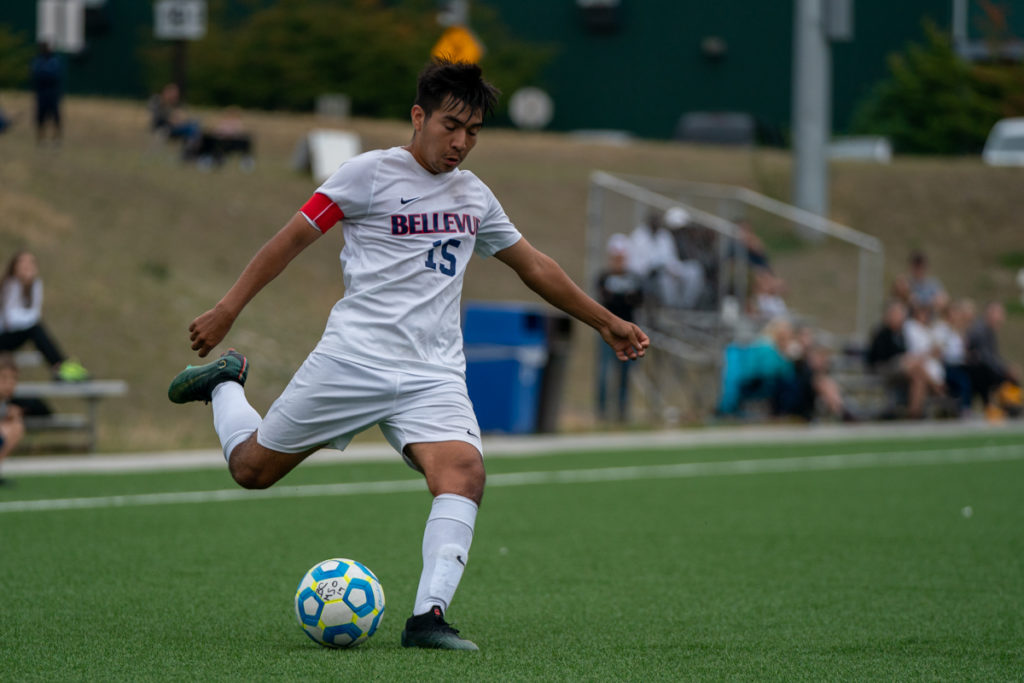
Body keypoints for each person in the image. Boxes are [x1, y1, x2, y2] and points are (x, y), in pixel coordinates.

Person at [167, 60, 649, 651]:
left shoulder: (474, 195)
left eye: (473, 131)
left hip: (433, 374)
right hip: (353, 360)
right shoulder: (366, 174)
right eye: (451, 126)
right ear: (419, 116)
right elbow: (288, 241)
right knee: (252, 471)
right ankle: (225, 385)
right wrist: (226, 309)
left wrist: (607, 322)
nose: (461, 142)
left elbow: (535, 267)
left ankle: (428, 619)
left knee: (465, 473)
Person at [0, 251, 89, 381]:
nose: (27, 266)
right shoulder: (9, 285)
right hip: (4, 337)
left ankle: (60, 367)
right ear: (15, 266)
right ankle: (61, 366)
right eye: (23, 262)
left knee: (35, 328)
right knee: (35, 328)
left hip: (20, 334)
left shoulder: (35, 284)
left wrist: (31, 320)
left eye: (31, 262)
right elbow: (11, 319)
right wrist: (31, 321)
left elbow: (35, 313)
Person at [595, 234, 644, 423]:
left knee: (625, 373)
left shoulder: (634, 278)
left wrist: (619, 297)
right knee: (604, 372)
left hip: (629, 332)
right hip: (606, 332)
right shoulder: (604, 277)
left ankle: (622, 412)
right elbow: (605, 300)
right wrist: (623, 297)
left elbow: (637, 300)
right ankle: (601, 413)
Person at [865, 300, 941, 419]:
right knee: (914, 365)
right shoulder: (881, 333)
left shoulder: (902, 334)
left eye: (901, 315)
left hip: (903, 369)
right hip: (884, 368)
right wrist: (904, 359)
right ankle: (938, 388)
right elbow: (880, 357)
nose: (900, 318)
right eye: (897, 314)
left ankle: (914, 413)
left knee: (918, 378)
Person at [966, 301, 1021, 420]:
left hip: (985, 368)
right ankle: (1007, 409)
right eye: (999, 314)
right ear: (990, 314)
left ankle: (1010, 407)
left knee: (1011, 377)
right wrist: (1004, 369)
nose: (1001, 318)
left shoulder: (988, 330)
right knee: (1008, 377)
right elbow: (986, 358)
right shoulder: (980, 330)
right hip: (978, 371)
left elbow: (993, 356)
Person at [0, 354, 26, 485]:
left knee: (16, 426)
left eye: (13, 379)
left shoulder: (5, 403)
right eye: (3, 378)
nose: (9, 384)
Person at [30, 42, 63, 145]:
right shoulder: (38, 61)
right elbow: (36, 75)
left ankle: (56, 139)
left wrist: (45, 75)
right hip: (41, 93)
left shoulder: (54, 61)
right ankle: (41, 139)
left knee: (55, 117)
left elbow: (55, 75)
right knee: (41, 117)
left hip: (52, 93)